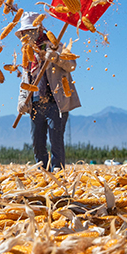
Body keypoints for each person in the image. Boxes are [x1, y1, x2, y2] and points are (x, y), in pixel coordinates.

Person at [15, 12, 79, 171]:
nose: (25, 35)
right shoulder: (27, 53)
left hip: (55, 102)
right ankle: (42, 173)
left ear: (38, 30)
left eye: (28, 31)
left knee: (56, 140)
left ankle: (58, 174)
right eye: (23, 32)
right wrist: (22, 102)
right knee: (37, 142)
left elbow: (72, 65)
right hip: (35, 103)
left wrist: (56, 58)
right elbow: (25, 81)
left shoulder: (56, 46)